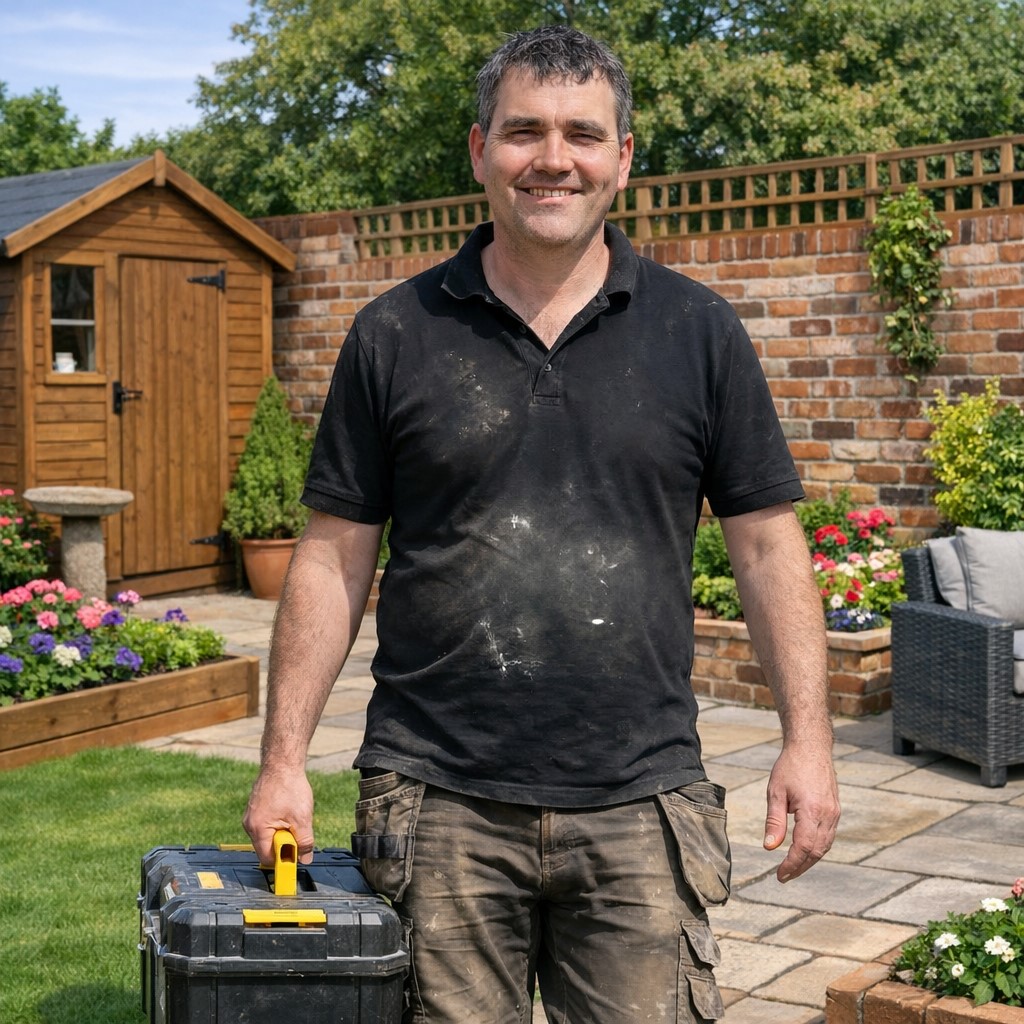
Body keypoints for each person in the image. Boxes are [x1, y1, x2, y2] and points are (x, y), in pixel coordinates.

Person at [244, 24, 841, 1024]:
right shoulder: (394, 333)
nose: (552, 158)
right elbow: (331, 560)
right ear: (479, 151)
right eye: (523, 131)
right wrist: (280, 761)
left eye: (581, 133)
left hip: (641, 798)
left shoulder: (700, 333)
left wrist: (809, 742)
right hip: (437, 800)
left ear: (623, 158)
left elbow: (768, 549)